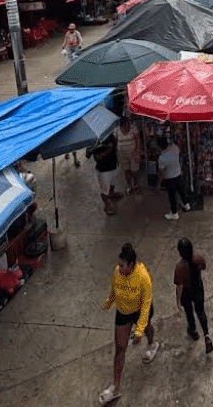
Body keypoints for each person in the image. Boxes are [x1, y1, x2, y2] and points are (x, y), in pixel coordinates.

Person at [100, 243, 159, 404]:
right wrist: (108, 301)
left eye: (123, 266)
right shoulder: (117, 272)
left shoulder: (143, 277)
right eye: (118, 265)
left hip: (140, 310)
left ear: (132, 264)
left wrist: (139, 330)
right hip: (123, 312)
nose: (119, 268)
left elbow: (146, 304)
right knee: (120, 349)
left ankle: (152, 344)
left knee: (147, 329)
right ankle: (116, 387)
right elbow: (114, 289)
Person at [174, 238, 213, 354]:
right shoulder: (198, 257)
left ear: (180, 252)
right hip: (198, 288)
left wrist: (178, 301)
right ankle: (206, 335)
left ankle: (193, 331)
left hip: (187, 292)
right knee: (200, 311)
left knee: (189, 311)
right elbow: (204, 267)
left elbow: (179, 286)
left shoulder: (180, 267)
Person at [89, 133, 119, 215]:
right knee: (104, 190)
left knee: (113, 183)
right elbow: (96, 157)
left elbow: (115, 145)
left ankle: (112, 193)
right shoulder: (94, 140)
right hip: (103, 169)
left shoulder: (110, 134)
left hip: (113, 165)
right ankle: (107, 206)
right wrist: (108, 149)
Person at [157, 136, 186, 220]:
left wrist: (158, 184)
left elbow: (161, 172)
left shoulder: (162, 158)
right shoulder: (175, 148)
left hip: (169, 178)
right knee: (181, 190)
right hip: (178, 173)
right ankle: (186, 204)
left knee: (172, 196)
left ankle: (174, 213)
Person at [115, 117, 142, 196]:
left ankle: (136, 184)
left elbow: (138, 140)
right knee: (126, 171)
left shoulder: (133, 129)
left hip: (133, 154)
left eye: (128, 124)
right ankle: (129, 185)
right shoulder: (116, 130)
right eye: (125, 125)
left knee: (134, 171)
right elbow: (115, 142)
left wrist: (138, 152)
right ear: (121, 125)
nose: (127, 127)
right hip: (122, 155)